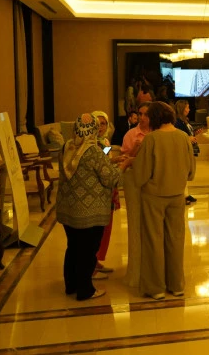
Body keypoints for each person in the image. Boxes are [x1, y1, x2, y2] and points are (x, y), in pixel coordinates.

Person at [133, 102, 195, 299]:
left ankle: (156, 287)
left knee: (153, 240)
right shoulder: (183, 137)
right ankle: (176, 284)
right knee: (175, 240)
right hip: (177, 195)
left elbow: (140, 175)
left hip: (154, 196)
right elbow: (191, 171)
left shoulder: (151, 139)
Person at [56, 113, 121, 301]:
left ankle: (71, 285)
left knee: (73, 247)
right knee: (87, 250)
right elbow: (110, 178)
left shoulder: (66, 147)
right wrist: (122, 168)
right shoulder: (93, 151)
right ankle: (85, 290)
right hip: (89, 211)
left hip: (68, 208)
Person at [119, 102, 150, 288]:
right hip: (135, 184)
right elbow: (123, 160)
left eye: (146, 114)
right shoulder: (131, 135)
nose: (142, 117)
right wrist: (135, 150)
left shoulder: (158, 133)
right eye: (140, 113)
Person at [90, 110, 119, 278]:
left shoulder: (105, 141)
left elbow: (107, 160)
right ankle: (91, 266)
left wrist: (114, 161)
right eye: (97, 124)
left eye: (103, 124)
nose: (100, 127)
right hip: (96, 191)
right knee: (96, 229)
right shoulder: (89, 143)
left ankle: (96, 261)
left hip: (107, 187)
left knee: (106, 228)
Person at [174, 100, 203, 204]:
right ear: (182, 109)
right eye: (187, 107)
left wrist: (194, 134)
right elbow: (179, 136)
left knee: (186, 173)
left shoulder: (184, 121)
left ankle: (185, 194)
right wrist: (188, 138)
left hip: (187, 149)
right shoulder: (177, 122)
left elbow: (187, 134)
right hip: (182, 151)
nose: (189, 110)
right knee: (182, 173)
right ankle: (182, 195)